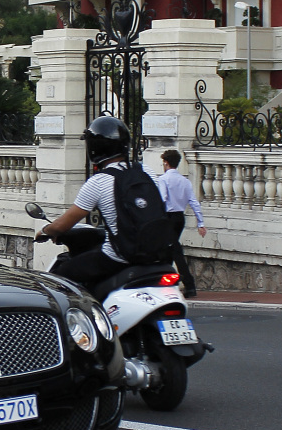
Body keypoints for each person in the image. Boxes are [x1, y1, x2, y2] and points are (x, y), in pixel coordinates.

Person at [38, 116, 165, 291]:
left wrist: (45, 231)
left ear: (94, 147)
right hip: (158, 254)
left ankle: (80, 317)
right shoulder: (146, 171)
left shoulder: (99, 182)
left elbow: (63, 225)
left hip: (119, 257)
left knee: (60, 276)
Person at [159, 149, 205, 297]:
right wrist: (200, 222)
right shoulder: (185, 181)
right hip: (180, 217)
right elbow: (193, 202)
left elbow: (162, 199)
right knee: (169, 249)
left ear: (166, 163)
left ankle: (189, 285)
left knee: (175, 250)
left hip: (168, 217)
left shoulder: (163, 179)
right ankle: (166, 282)